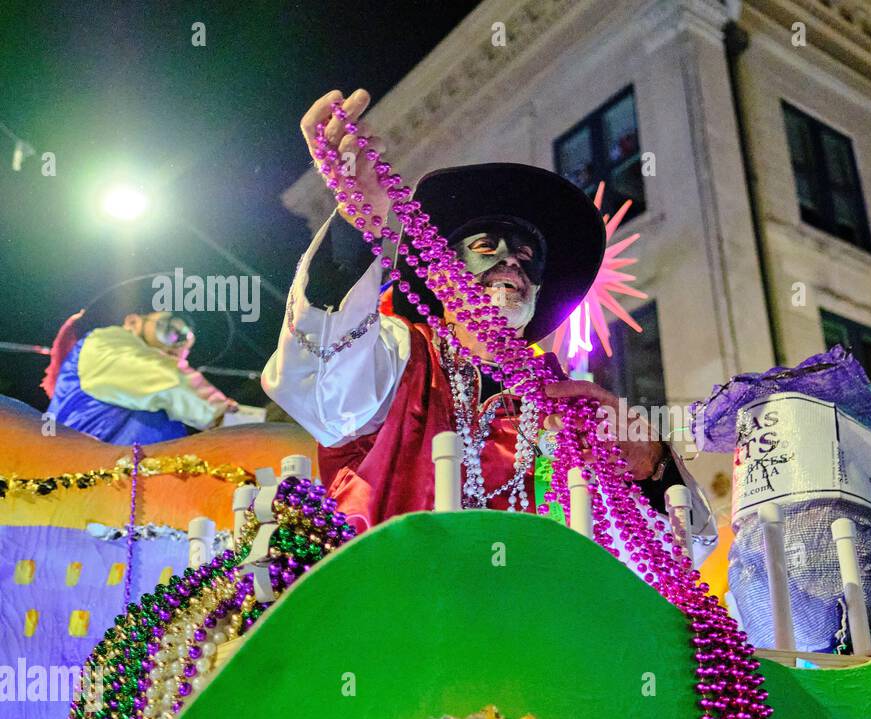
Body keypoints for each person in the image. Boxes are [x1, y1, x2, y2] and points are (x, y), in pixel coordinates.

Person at [262, 89, 712, 538]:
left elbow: (682, 548)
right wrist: (357, 223)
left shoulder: (571, 405)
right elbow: (318, 387)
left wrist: (652, 461)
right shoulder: (402, 361)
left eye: (526, 255)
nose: (511, 261)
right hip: (395, 598)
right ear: (439, 276)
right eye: (484, 247)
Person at [43, 302, 238, 445]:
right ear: (134, 322)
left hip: (130, 485)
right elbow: (168, 378)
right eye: (173, 331)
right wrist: (239, 423)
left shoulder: (160, 394)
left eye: (187, 346)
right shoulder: (104, 341)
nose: (179, 347)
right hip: (97, 483)